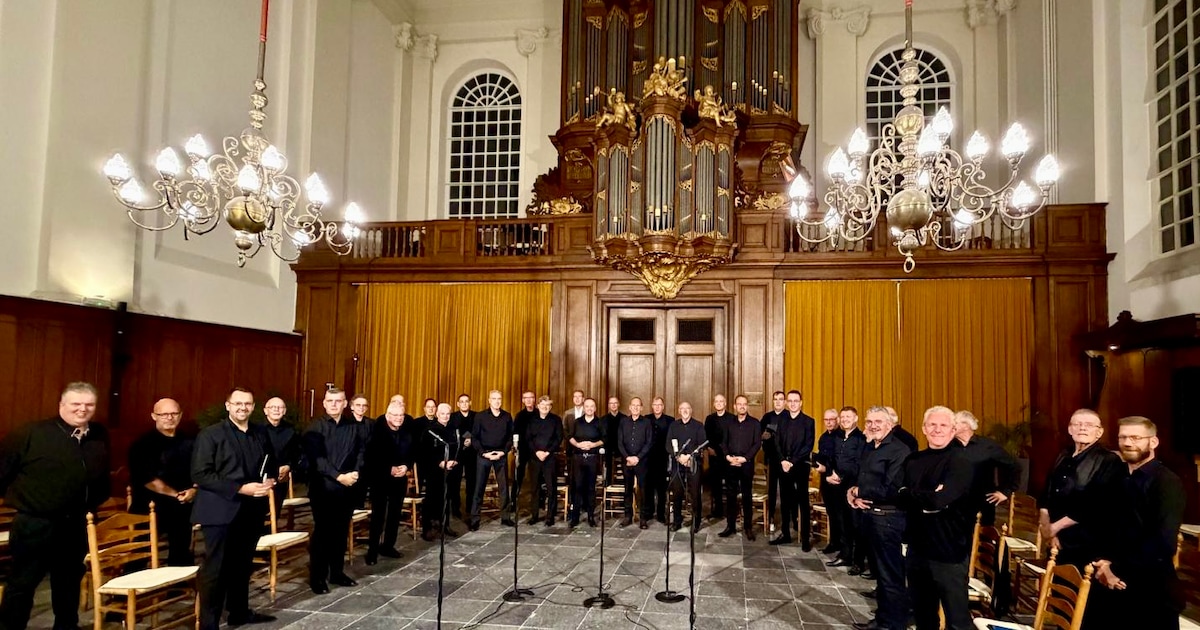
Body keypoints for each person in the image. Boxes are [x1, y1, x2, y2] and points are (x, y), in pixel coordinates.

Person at [0, 382, 111, 630]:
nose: (82, 409)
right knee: (22, 584)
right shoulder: (30, 433)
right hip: (36, 524)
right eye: (76, 404)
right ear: (62, 405)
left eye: (89, 405)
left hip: (75, 524)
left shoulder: (99, 434)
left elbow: (102, 477)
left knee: (69, 583)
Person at [191, 387, 278, 630]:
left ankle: (238, 612)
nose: (242, 408)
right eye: (237, 403)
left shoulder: (260, 432)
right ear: (227, 406)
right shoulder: (211, 434)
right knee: (216, 569)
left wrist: (269, 480)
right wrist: (241, 488)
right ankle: (209, 623)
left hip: (251, 510)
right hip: (219, 511)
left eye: (247, 404)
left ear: (253, 407)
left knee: (242, 564)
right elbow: (200, 473)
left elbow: (270, 461)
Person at [1087, 416, 1185, 630]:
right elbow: (1102, 524)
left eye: (1136, 437)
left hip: (1150, 588)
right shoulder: (1116, 477)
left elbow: (1163, 542)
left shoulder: (1167, 482)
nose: (1128, 443)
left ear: (1153, 442)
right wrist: (1102, 563)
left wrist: (1114, 568)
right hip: (1108, 581)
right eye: (1123, 437)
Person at [899, 406, 975, 630]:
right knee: (923, 617)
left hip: (948, 554)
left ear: (953, 430)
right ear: (924, 428)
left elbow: (938, 501)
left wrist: (913, 494)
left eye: (943, 425)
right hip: (917, 551)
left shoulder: (961, 462)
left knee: (957, 622)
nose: (937, 429)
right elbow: (899, 495)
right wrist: (928, 495)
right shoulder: (913, 460)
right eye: (932, 424)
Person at [848, 406, 913, 630]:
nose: (873, 425)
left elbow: (890, 488)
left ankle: (893, 624)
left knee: (890, 577)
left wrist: (859, 492)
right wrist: (853, 491)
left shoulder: (899, 450)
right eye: (870, 421)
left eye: (878, 421)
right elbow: (863, 478)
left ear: (890, 424)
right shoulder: (871, 447)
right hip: (871, 517)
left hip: (888, 520)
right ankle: (882, 619)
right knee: (881, 577)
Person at [1039, 408, 1124, 568]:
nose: (1082, 428)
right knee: (1053, 586)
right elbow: (1046, 493)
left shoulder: (1108, 460)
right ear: (1070, 429)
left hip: (1084, 541)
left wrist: (1055, 528)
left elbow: (1094, 504)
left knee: (1075, 588)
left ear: (1099, 432)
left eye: (1089, 425)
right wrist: (1047, 530)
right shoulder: (1064, 454)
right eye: (1077, 424)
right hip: (1054, 537)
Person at [303, 387, 367, 594]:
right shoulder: (314, 428)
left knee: (340, 532)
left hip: (347, 487)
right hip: (323, 488)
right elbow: (318, 460)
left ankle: (337, 573)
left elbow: (360, 452)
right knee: (323, 533)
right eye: (330, 401)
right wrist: (339, 476)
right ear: (323, 403)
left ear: (345, 404)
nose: (333, 404)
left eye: (338, 401)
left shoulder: (353, 427)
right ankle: (317, 578)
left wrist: (355, 473)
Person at [128, 397, 196, 566]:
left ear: (180, 416)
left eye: (173, 413)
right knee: (140, 556)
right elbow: (147, 479)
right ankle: (128, 591)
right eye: (164, 414)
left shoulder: (190, 441)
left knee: (181, 554)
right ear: (154, 416)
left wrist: (195, 489)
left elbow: (200, 471)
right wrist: (175, 494)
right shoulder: (142, 444)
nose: (169, 417)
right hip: (148, 507)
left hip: (181, 507)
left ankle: (176, 590)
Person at [364, 402, 413, 563]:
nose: (399, 419)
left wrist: (406, 466)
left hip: (400, 479)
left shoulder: (406, 431)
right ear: (388, 416)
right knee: (378, 516)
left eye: (401, 415)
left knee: (394, 514)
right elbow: (371, 457)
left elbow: (412, 452)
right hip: (380, 479)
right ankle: (372, 550)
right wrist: (388, 469)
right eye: (396, 415)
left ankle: (388, 546)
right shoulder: (377, 431)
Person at [952, 410, 1020, 526]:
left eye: (955, 423)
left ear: (966, 425)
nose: (950, 427)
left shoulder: (988, 445)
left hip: (981, 504)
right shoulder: (948, 446)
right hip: (953, 505)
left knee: (983, 539)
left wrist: (1005, 492)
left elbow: (1013, 466)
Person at [771, 390, 814, 550]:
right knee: (785, 501)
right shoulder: (781, 420)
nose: (793, 403)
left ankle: (805, 538)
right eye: (790, 401)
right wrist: (783, 460)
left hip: (800, 465)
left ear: (801, 402)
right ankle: (785, 534)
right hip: (783, 465)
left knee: (803, 501)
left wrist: (792, 462)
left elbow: (808, 446)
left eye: (796, 400)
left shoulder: (809, 421)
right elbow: (776, 443)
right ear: (787, 403)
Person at [827, 407, 867, 571]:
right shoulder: (836, 436)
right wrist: (830, 474)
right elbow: (831, 458)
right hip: (836, 486)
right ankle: (845, 555)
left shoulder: (861, 439)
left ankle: (858, 562)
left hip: (852, 487)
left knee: (855, 525)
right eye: (842, 417)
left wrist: (842, 476)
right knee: (841, 522)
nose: (844, 420)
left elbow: (859, 464)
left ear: (856, 418)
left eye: (848, 417)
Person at [469, 390, 515, 530]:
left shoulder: (507, 416)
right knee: (479, 488)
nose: (497, 401)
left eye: (499, 399)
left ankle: (505, 517)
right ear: (489, 400)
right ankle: (475, 519)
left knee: (503, 488)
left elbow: (510, 437)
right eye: (494, 398)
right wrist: (484, 453)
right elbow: (474, 438)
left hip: (500, 455)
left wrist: (503, 452)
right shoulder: (480, 416)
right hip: (484, 456)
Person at [719, 395, 761, 541]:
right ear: (735, 406)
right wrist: (728, 457)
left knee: (747, 496)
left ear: (747, 406)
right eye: (739, 404)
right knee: (730, 496)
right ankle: (730, 526)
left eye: (744, 404)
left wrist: (745, 458)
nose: (742, 406)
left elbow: (757, 444)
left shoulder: (755, 424)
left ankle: (748, 528)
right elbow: (723, 443)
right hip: (731, 464)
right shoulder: (729, 423)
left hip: (746, 464)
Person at [425, 402, 466, 539]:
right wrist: (440, 462)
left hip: (452, 468)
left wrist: (455, 460)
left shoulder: (454, 429)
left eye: (448, 414)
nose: (445, 416)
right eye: (442, 414)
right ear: (437, 414)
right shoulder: (430, 430)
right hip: (435, 470)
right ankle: (429, 528)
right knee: (433, 498)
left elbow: (459, 447)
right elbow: (426, 451)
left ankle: (445, 525)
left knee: (448, 498)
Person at [666, 401, 706, 533]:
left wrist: (689, 457)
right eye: (682, 408)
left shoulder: (699, 426)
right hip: (678, 464)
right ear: (678, 410)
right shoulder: (673, 425)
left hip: (693, 464)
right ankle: (677, 521)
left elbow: (702, 445)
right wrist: (679, 457)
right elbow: (668, 445)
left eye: (687, 408)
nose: (685, 410)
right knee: (677, 492)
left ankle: (696, 521)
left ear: (691, 410)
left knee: (695, 494)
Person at [567, 398, 605, 528]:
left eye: (592, 406)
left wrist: (593, 444)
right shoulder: (577, 422)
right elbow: (570, 437)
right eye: (587, 406)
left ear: (595, 408)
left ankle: (590, 517)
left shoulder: (599, 422)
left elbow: (604, 439)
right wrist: (578, 444)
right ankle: (575, 517)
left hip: (592, 458)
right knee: (577, 487)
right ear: (584, 407)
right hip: (578, 458)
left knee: (590, 488)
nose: (589, 408)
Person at [526, 395, 562, 526]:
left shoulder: (556, 420)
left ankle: (550, 517)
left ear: (550, 407)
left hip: (549, 458)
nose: (545, 407)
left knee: (551, 488)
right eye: (542, 405)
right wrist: (537, 452)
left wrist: (547, 452)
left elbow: (558, 439)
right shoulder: (531, 420)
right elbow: (528, 438)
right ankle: (534, 516)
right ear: (538, 406)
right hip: (535, 458)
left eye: (548, 405)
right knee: (534, 488)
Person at [618, 397, 654, 529]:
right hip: (627, 461)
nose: (635, 407)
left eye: (638, 405)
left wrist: (637, 458)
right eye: (633, 405)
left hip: (642, 461)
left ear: (642, 408)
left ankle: (643, 518)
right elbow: (620, 443)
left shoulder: (647, 423)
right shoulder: (623, 422)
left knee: (643, 490)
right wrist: (628, 457)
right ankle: (628, 516)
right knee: (627, 489)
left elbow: (649, 442)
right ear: (629, 407)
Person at [262, 397, 301, 506]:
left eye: (279, 407)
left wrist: (289, 466)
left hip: (281, 478)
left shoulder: (291, 430)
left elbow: (297, 454)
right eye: (272, 407)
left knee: (276, 511)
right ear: (266, 411)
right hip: (261, 477)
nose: (276, 410)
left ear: (284, 411)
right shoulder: (257, 430)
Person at [759, 391, 787, 534]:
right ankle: (770, 519)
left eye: (780, 399)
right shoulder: (767, 416)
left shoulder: (789, 416)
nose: (777, 402)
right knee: (770, 490)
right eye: (775, 399)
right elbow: (759, 435)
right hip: (770, 459)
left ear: (785, 402)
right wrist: (764, 436)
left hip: (785, 460)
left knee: (785, 491)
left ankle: (787, 521)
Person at [812, 409, 840, 554]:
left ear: (838, 420)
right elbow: (824, 457)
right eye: (826, 420)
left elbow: (839, 460)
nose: (829, 422)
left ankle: (840, 543)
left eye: (832, 419)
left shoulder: (841, 437)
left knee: (839, 514)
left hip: (837, 480)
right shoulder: (823, 437)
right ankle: (833, 542)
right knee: (831, 512)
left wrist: (827, 469)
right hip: (825, 480)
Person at [647, 397, 674, 524]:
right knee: (649, 486)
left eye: (660, 405)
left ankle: (661, 513)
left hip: (663, 458)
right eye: (655, 405)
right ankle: (649, 511)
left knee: (662, 488)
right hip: (648, 458)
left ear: (663, 407)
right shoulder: (646, 419)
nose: (657, 407)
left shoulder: (670, 420)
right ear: (652, 406)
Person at [704, 394, 731, 520]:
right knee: (716, 485)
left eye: (721, 401)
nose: (719, 403)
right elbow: (705, 437)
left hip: (728, 456)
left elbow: (733, 437)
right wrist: (709, 448)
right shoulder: (709, 419)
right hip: (714, 456)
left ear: (725, 403)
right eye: (717, 401)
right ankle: (718, 510)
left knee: (731, 484)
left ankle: (731, 511)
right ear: (714, 404)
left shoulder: (732, 418)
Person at [511, 391, 538, 512]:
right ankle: (513, 501)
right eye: (526, 398)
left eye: (531, 398)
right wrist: (515, 448)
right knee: (518, 476)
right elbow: (515, 433)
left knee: (537, 477)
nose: (528, 400)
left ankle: (538, 502)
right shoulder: (519, 416)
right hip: (522, 450)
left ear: (534, 399)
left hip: (536, 450)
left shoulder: (539, 414)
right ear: (523, 400)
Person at [454, 393, 477, 519]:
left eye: (466, 401)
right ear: (458, 404)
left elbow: (479, 432)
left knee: (472, 481)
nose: (464, 403)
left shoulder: (477, 416)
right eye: (461, 401)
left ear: (470, 403)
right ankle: (455, 508)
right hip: (458, 453)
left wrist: (471, 440)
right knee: (455, 481)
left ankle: (470, 507)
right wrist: (463, 441)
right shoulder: (453, 417)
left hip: (472, 453)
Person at [601, 396, 624, 484]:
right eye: (611, 403)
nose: (613, 405)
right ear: (608, 405)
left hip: (621, 450)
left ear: (618, 404)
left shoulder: (624, 419)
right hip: (608, 450)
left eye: (615, 403)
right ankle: (608, 485)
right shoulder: (603, 420)